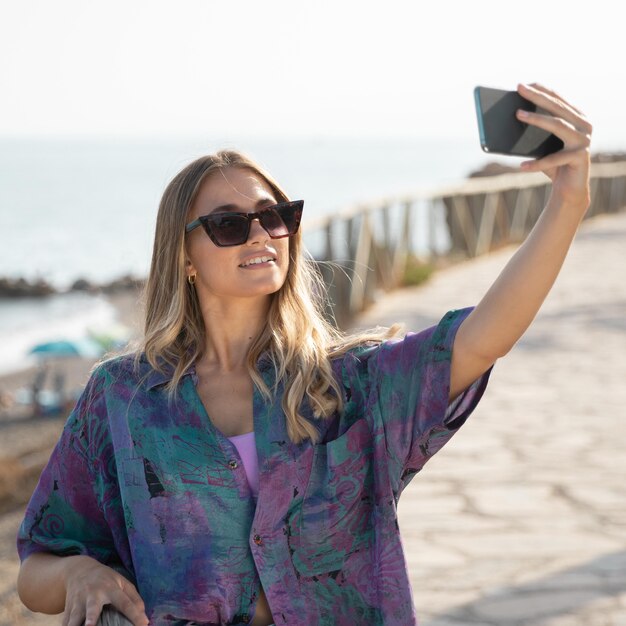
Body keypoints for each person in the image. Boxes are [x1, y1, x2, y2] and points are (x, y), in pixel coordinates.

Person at [16, 83, 592, 626]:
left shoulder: (346, 384)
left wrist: (566, 202)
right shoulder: (123, 398)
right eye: (228, 225)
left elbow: (484, 336)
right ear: (184, 257)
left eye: (274, 216)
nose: (260, 235)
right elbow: (36, 572)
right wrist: (80, 572)